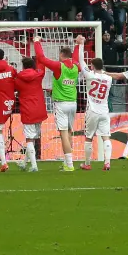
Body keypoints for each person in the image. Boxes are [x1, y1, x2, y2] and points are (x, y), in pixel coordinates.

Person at [32, 38, 80, 172]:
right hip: (73, 103)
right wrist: (77, 45)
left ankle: (69, 165)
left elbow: (41, 58)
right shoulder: (76, 66)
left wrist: (36, 42)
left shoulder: (59, 66)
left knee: (64, 133)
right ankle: (67, 163)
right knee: (70, 132)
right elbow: (75, 58)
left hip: (61, 104)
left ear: (61, 55)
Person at [77, 39, 114, 171]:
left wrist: (81, 45)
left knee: (89, 137)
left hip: (92, 110)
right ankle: (107, 162)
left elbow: (81, 62)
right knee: (106, 137)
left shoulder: (89, 75)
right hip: (104, 110)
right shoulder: (109, 78)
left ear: (92, 66)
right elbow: (103, 74)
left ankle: (87, 163)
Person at [14, 57, 46, 172]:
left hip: (28, 110)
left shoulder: (18, 78)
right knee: (33, 138)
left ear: (23, 66)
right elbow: (43, 64)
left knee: (29, 139)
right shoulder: (39, 75)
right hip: (40, 109)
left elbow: (14, 88)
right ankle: (24, 163)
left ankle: (34, 166)